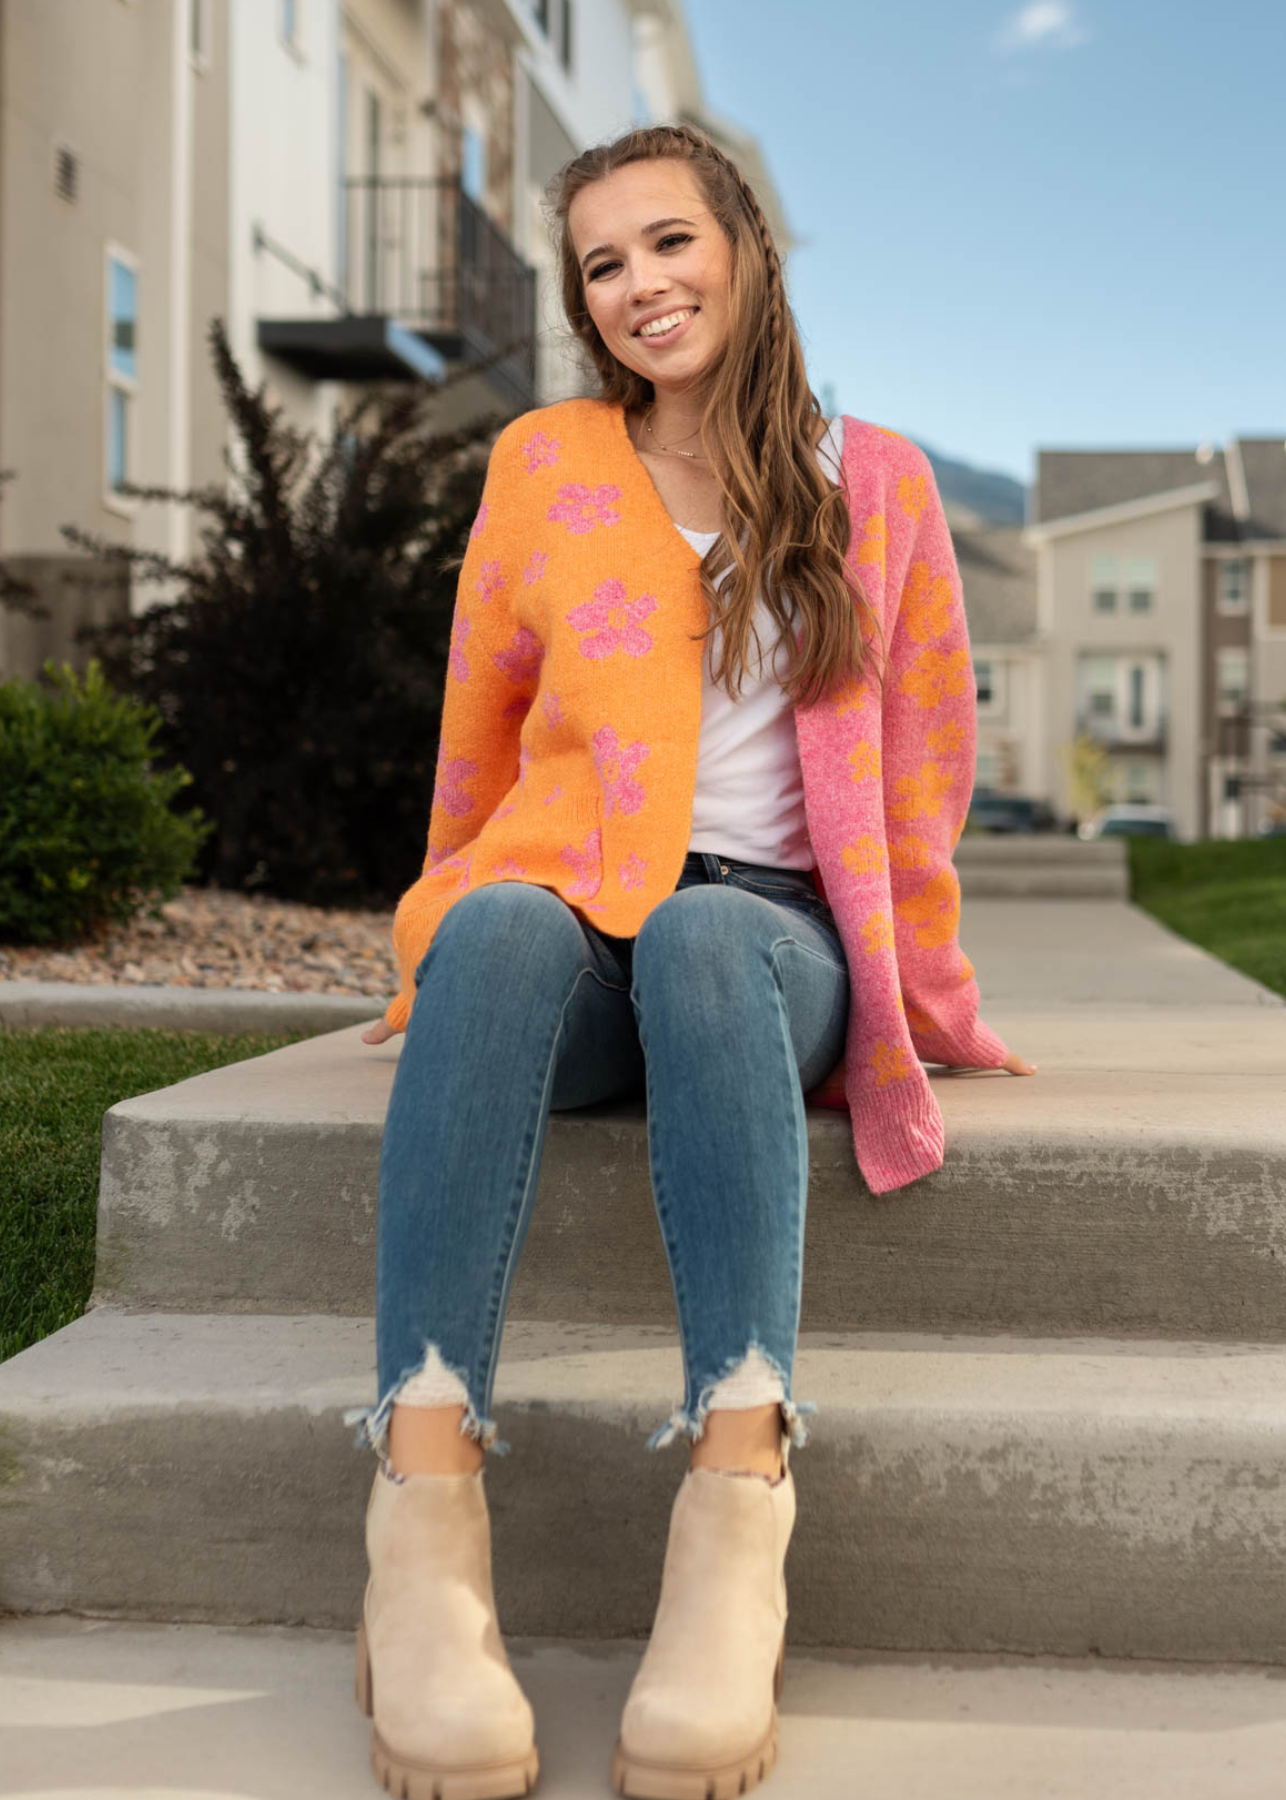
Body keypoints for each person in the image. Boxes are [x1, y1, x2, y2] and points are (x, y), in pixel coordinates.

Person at [344, 121, 1036, 1800]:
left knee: (718, 928)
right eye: (602, 264)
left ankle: (739, 1499)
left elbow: (926, 758)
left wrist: (922, 991)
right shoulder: (544, 464)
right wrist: (438, 929)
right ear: (583, 306)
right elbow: (480, 730)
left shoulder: (874, 483)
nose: (640, 285)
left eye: (668, 241)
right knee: (501, 919)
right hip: (574, 919)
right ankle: (419, 1517)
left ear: (743, 240)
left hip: (764, 943)